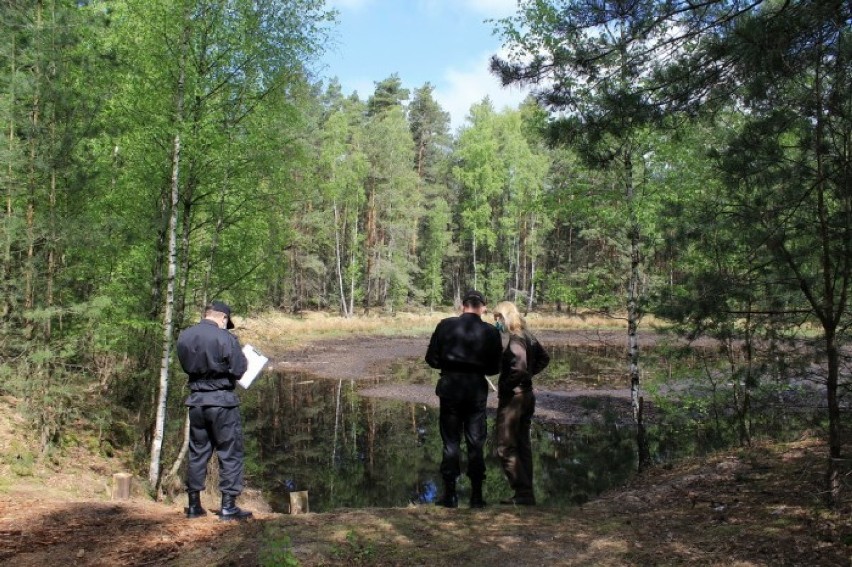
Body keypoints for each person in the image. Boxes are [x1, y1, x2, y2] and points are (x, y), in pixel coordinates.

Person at [176, 301, 253, 521]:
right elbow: (239, 370)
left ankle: (193, 505)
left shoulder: (185, 337)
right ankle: (228, 507)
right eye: (226, 322)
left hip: (197, 403)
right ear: (223, 318)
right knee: (230, 452)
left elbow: (185, 365)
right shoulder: (226, 338)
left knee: (198, 452)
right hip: (223, 403)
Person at [425, 290, 502, 508]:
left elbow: (431, 359)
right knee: (476, 441)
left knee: (451, 441)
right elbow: (495, 367)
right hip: (476, 389)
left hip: (450, 387)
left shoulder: (445, 325)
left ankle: (450, 496)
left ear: (463, 306)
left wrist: (450, 364)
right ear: (482, 307)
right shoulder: (490, 332)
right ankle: (476, 497)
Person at [492, 301, 550, 506]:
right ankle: (525, 494)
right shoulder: (528, 336)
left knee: (504, 446)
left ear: (505, 317)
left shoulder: (517, 339)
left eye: (497, 317)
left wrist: (508, 386)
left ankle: (522, 492)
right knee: (522, 445)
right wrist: (527, 376)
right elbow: (544, 358)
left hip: (514, 400)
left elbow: (520, 367)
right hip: (527, 396)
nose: (495, 322)